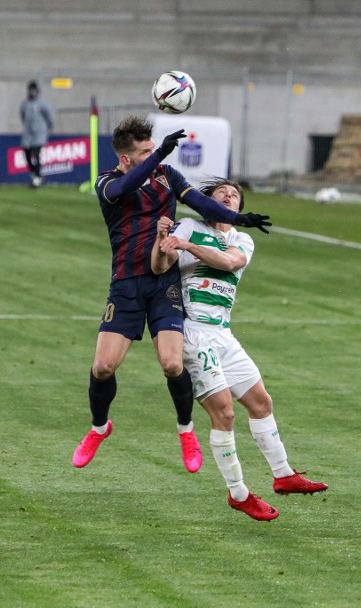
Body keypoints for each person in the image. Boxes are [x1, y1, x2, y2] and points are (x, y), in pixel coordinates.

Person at [72, 116, 272, 473]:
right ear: (125, 159)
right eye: (146, 152)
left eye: (154, 148)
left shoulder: (167, 176)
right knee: (103, 367)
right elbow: (127, 188)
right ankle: (99, 428)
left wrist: (237, 219)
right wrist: (158, 154)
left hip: (165, 281)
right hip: (126, 283)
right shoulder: (108, 182)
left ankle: (186, 430)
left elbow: (200, 203)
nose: (154, 156)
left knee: (172, 363)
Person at [151, 178, 327, 521]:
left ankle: (284, 475)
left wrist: (185, 245)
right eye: (223, 194)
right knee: (225, 414)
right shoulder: (188, 225)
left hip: (223, 334)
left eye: (235, 195)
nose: (230, 197)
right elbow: (159, 267)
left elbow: (228, 263)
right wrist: (163, 243)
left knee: (261, 402)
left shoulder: (241, 238)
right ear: (208, 203)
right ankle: (239, 493)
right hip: (193, 332)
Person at [19, 80, 55, 188]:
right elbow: (22, 116)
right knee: (27, 155)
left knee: (36, 154)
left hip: (39, 134)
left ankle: (38, 177)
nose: (32, 92)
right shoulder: (25, 103)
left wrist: (46, 128)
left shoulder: (42, 103)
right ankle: (35, 175)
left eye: (34, 90)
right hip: (28, 134)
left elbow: (50, 116)